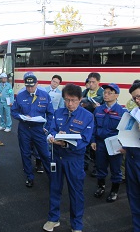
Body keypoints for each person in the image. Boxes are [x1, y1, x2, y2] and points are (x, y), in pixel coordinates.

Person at [43, 83, 94, 232]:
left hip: (74, 159)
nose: (69, 104)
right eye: (66, 100)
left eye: (73, 100)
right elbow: (51, 129)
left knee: (76, 192)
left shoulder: (88, 116)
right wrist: (51, 138)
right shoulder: (58, 112)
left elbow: (85, 139)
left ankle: (76, 224)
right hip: (57, 157)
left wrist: (65, 143)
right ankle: (53, 219)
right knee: (54, 188)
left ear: (80, 100)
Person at [11, 74, 54, 188]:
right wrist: (22, 116)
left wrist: (47, 128)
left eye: (32, 86)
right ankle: (29, 177)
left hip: (39, 129)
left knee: (44, 153)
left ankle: (52, 177)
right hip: (24, 128)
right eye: (28, 86)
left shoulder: (44, 96)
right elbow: (14, 111)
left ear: (37, 84)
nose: (30, 88)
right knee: (25, 153)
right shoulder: (20, 96)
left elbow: (50, 113)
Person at [91, 83, 125, 202]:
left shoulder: (122, 112)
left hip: (115, 144)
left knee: (116, 169)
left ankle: (114, 191)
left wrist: (123, 145)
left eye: (109, 93)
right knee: (101, 167)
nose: (106, 95)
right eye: (105, 92)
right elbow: (94, 126)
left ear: (116, 95)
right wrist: (93, 140)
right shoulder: (99, 110)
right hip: (100, 143)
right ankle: (101, 187)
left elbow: (125, 131)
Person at [122, 82, 140, 231]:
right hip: (132, 159)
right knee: (133, 197)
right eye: (135, 98)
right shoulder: (133, 113)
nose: (137, 100)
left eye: (139, 96)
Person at [81, 72, 104, 176]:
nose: (90, 84)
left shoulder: (103, 93)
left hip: (97, 123)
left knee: (95, 146)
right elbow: (81, 103)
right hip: (85, 121)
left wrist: (90, 105)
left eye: (93, 82)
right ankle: (85, 163)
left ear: (98, 82)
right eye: (89, 82)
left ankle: (96, 167)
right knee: (85, 143)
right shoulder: (85, 92)